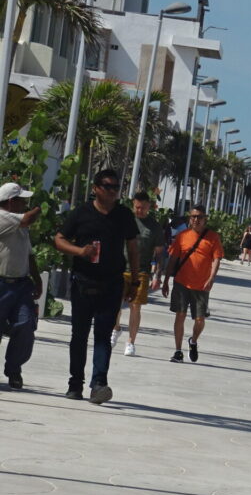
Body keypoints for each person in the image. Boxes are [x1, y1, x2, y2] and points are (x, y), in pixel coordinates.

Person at [54, 168, 140, 404]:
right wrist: (79, 251)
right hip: (83, 283)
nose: (113, 191)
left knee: (103, 336)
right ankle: (75, 383)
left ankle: (99, 384)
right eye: (107, 186)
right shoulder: (81, 213)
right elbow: (59, 239)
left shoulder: (123, 215)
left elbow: (132, 248)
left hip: (111, 284)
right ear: (95, 188)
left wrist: (135, 279)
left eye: (116, 187)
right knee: (79, 336)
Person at [161, 204, 223, 363]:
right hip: (182, 282)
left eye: (200, 217)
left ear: (205, 219)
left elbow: (216, 259)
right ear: (190, 218)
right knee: (179, 316)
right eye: (193, 216)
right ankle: (178, 351)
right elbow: (173, 259)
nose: (196, 220)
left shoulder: (213, 237)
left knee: (200, 320)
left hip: (201, 285)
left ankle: (193, 340)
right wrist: (166, 280)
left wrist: (212, 278)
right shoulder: (183, 236)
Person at [0, 182, 43, 390]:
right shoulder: (3, 217)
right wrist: (39, 207)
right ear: (11, 201)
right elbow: (29, 218)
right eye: (22, 200)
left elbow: (29, 254)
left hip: (21, 284)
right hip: (1, 284)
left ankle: (14, 369)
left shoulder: (19, 224)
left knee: (26, 326)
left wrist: (37, 278)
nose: (25, 204)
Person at [111, 191, 165, 357]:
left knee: (135, 307)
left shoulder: (154, 227)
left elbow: (159, 254)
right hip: (120, 269)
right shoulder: (125, 220)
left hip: (141, 272)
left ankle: (130, 342)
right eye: (137, 207)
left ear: (149, 206)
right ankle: (116, 328)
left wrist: (157, 276)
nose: (139, 210)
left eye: (143, 207)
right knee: (114, 304)